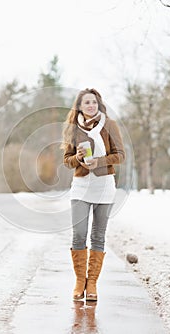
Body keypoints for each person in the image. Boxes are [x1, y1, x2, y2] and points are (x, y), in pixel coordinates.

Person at [61, 88, 125, 301]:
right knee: (79, 233)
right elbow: (67, 160)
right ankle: (80, 282)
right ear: (79, 106)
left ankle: (92, 285)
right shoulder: (73, 129)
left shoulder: (110, 125)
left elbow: (120, 155)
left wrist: (100, 162)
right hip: (80, 186)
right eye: (86, 102)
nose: (91, 105)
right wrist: (78, 159)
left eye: (94, 102)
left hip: (105, 187)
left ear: (99, 104)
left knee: (98, 236)